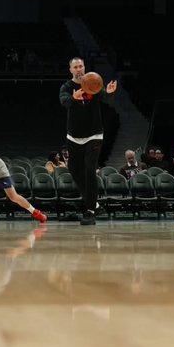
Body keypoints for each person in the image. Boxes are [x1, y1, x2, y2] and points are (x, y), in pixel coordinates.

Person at [58, 57, 117, 225]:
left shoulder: (93, 82)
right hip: (74, 136)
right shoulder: (67, 87)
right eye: (75, 67)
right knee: (75, 170)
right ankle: (96, 204)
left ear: (84, 67)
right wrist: (74, 98)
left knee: (90, 169)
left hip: (94, 135)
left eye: (80, 66)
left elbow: (106, 99)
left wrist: (111, 93)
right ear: (71, 70)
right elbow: (64, 102)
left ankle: (90, 211)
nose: (78, 69)